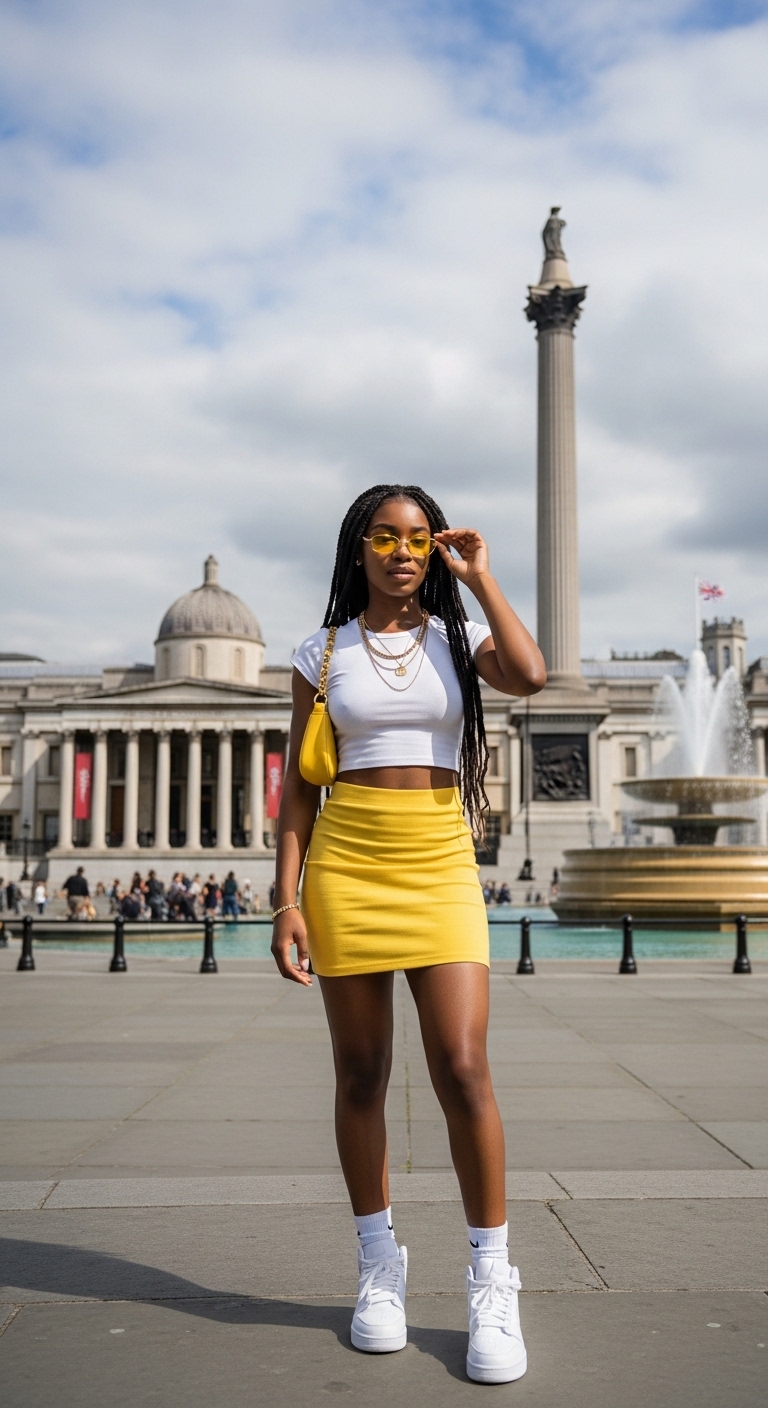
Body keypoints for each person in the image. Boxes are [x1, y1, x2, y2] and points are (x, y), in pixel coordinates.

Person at [271, 484, 545, 1383]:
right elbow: (297, 792)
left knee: (463, 1067)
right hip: (348, 865)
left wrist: (484, 578)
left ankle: (490, 1279)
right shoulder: (321, 651)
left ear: (435, 551)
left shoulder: (459, 642)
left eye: (420, 539)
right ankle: (378, 1266)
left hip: (438, 860)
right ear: (359, 548)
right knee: (362, 1073)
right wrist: (287, 900)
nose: (402, 551)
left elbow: (534, 674)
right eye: (386, 537)